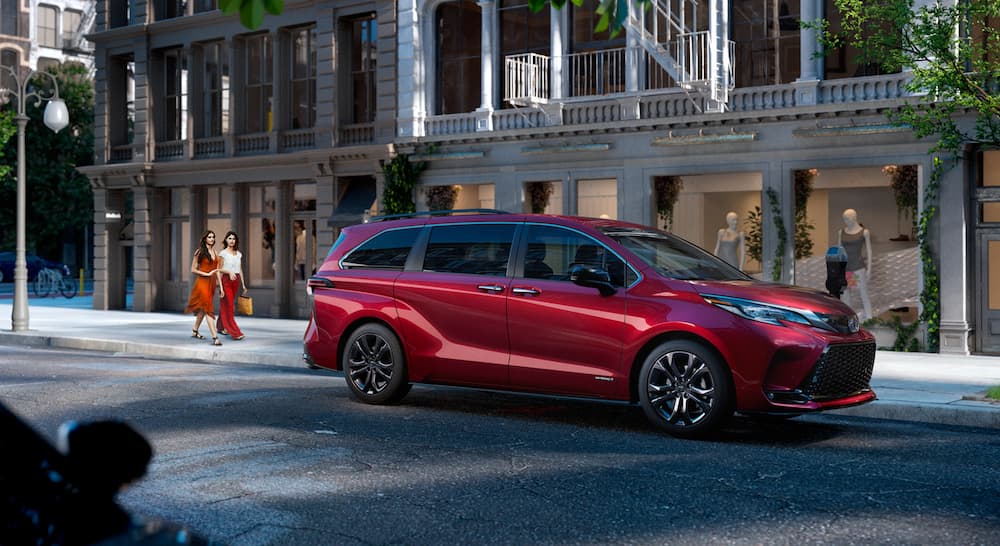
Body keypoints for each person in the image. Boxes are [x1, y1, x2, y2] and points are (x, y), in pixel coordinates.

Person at [185, 230, 223, 346]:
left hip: (211, 284)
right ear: (205, 239)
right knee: (208, 309)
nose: (211, 239)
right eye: (209, 237)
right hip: (202, 282)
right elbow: (193, 269)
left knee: (203, 308)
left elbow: (217, 272)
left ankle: (195, 331)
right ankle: (215, 337)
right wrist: (206, 274)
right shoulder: (199, 252)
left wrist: (221, 287)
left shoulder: (215, 252)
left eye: (213, 237)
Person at [838, 208, 873, 320]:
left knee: (863, 293)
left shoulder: (864, 232)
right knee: (846, 295)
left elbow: (869, 251)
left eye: (847, 219)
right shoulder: (841, 232)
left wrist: (869, 269)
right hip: (845, 268)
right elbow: (839, 251)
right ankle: (848, 319)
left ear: (854, 218)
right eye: (844, 219)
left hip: (858, 268)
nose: (845, 221)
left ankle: (870, 319)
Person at [216, 231, 247, 340]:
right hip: (226, 281)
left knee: (226, 304)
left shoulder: (238, 254)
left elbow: (240, 269)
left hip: (236, 281)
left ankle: (220, 326)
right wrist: (221, 287)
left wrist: (243, 284)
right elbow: (218, 270)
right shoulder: (222, 253)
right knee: (230, 306)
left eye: (233, 239)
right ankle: (235, 332)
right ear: (226, 240)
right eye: (229, 238)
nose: (232, 240)